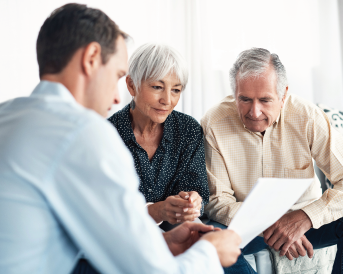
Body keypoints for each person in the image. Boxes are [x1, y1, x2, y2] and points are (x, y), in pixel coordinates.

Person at [0, 3, 242, 274]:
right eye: (117, 76)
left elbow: (69, 229)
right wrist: (211, 251)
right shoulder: (84, 133)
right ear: (91, 58)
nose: (117, 98)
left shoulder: (6, 116)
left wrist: (162, 240)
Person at [201, 47, 343, 274]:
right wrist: (272, 224)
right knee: (208, 238)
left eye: (265, 100)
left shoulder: (307, 116)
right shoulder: (214, 122)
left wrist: (306, 217)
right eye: (244, 99)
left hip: (306, 223)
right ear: (234, 93)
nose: (254, 112)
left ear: (283, 95)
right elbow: (219, 202)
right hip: (250, 227)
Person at [108, 43, 209, 227]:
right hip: (125, 236)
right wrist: (157, 211)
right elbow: (106, 208)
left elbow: (197, 191)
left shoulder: (188, 130)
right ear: (132, 85)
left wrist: (193, 202)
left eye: (176, 90)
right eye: (157, 87)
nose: (167, 100)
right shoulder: (107, 134)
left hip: (180, 230)